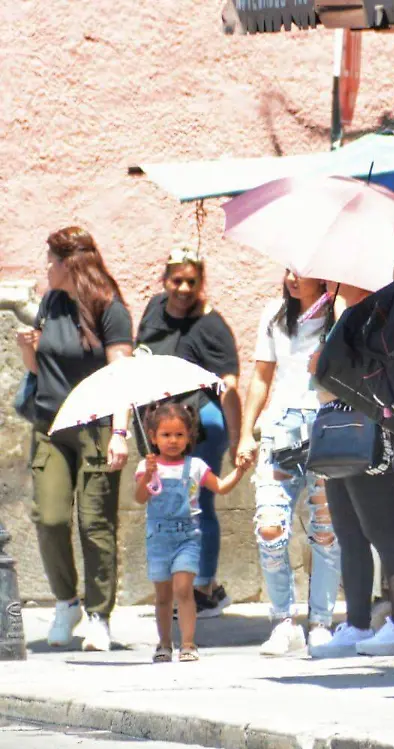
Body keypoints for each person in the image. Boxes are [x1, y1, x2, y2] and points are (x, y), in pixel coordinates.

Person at [15, 227, 133, 652]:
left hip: (97, 425)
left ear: (68, 264)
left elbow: (122, 376)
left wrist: (120, 432)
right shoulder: (50, 302)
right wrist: (28, 349)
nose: (46, 267)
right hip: (50, 423)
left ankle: (100, 615)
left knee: (96, 523)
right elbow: (38, 370)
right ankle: (67, 602)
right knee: (49, 519)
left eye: (50, 259)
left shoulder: (109, 309)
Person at [308, 284, 394, 660]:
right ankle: (355, 623)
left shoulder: (378, 317)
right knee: (348, 532)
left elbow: (368, 378)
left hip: (369, 431)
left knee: (381, 529)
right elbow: (322, 386)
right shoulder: (341, 316)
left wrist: (325, 366)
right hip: (340, 433)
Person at [236, 272, 340, 657]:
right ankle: (283, 621)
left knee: (326, 532)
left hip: (326, 427)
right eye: (288, 268)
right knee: (269, 526)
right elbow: (261, 377)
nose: (292, 277)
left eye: (302, 269)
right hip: (280, 430)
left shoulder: (338, 313)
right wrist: (247, 432)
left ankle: (321, 622)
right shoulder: (275, 314)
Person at [136, 247, 242, 618]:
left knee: (199, 504)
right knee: (171, 504)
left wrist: (239, 437)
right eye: (176, 280)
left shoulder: (211, 326)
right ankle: (187, 583)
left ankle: (204, 588)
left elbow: (229, 384)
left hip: (200, 427)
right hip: (160, 427)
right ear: (164, 280)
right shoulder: (153, 309)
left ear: (201, 284)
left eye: (191, 282)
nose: (183, 288)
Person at [134, 403, 249, 663]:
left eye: (179, 435)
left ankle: (188, 643)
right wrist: (147, 476)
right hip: (159, 538)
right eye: (165, 435)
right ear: (153, 437)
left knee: (184, 589)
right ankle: (164, 643)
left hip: (187, 537)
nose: (172, 441)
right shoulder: (147, 466)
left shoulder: (195, 465)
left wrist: (240, 471)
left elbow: (220, 487)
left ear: (189, 437)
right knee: (163, 596)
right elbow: (140, 498)